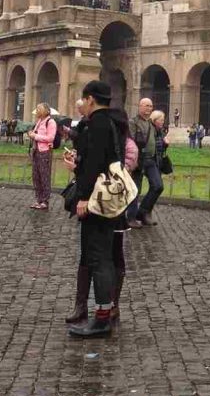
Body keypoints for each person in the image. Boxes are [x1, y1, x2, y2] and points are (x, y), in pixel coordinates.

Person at [63, 80, 127, 337]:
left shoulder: (98, 124)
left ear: (90, 99)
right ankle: (105, 312)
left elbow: (94, 165)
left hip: (97, 201)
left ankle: (101, 319)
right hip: (108, 199)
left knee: (99, 258)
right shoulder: (113, 121)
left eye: (85, 100)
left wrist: (83, 197)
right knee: (103, 257)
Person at [126, 99, 163, 228]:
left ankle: (143, 212)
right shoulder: (133, 123)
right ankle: (130, 217)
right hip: (138, 160)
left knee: (158, 186)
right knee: (135, 189)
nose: (149, 108)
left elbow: (157, 139)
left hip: (152, 159)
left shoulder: (151, 124)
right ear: (140, 106)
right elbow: (129, 141)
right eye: (146, 106)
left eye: (151, 106)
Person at [28, 103, 57, 210]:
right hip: (36, 151)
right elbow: (36, 134)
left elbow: (50, 138)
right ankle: (38, 199)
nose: (37, 111)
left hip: (44, 152)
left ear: (46, 111)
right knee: (36, 176)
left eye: (39, 109)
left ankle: (45, 200)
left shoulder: (51, 122)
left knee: (44, 176)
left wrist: (35, 136)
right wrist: (32, 133)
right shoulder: (39, 121)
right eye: (37, 109)